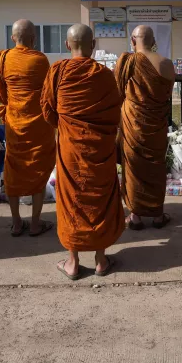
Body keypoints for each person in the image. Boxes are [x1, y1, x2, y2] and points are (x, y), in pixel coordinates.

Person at [42, 24, 124, 279]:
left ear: (67, 45)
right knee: (98, 199)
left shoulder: (57, 71)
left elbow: (47, 110)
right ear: (94, 45)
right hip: (99, 147)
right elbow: (114, 113)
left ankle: (73, 262)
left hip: (70, 148)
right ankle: (100, 260)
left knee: (71, 201)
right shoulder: (104, 74)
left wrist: (68, 126)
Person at [0, 19, 56, 237]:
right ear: (34, 38)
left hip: (15, 123)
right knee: (37, 170)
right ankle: (36, 223)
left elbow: (0, 94)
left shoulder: (3, 58)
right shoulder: (40, 60)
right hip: (38, 124)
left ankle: (17, 222)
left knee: (13, 170)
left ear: (13, 38)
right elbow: (48, 93)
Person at [116, 25, 176, 230]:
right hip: (157, 124)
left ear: (133, 41)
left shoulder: (127, 61)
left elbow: (118, 92)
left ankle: (135, 216)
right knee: (156, 167)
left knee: (133, 168)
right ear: (153, 41)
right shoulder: (167, 64)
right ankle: (158, 214)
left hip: (133, 123)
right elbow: (166, 94)